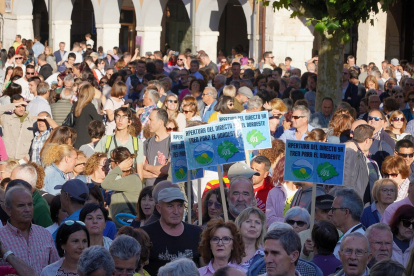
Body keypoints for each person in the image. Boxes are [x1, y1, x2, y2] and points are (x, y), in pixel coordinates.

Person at [141, 187, 203, 275]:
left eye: (180, 206)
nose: (176, 211)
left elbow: (204, 268)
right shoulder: (145, 234)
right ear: (159, 208)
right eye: (170, 206)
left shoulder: (196, 233)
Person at [0, 186, 59, 275]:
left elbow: (55, 269)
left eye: (30, 204)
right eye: (21, 206)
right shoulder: (1, 237)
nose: (27, 209)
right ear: (8, 210)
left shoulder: (44, 234)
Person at [95, 107, 144, 180]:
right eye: (118, 116)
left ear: (129, 122)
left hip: (128, 185)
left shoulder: (137, 143)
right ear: (114, 119)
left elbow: (140, 172)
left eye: (124, 117)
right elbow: (94, 163)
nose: (120, 120)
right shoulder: (106, 140)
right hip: (109, 184)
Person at [101, 147, 142, 229]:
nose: (109, 163)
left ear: (117, 163)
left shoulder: (132, 179)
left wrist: (118, 168)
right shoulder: (125, 178)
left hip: (126, 228)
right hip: (119, 226)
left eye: (110, 160)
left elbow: (105, 183)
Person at [331, 188, 365, 259]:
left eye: (333, 209)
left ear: (346, 212)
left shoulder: (357, 241)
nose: (330, 213)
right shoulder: (357, 235)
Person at [343, 124, 375, 200]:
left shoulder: (357, 152)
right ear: (367, 140)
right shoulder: (350, 153)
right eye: (373, 139)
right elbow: (346, 182)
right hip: (351, 203)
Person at [143, 108, 171, 186]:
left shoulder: (172, 142)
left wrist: (146, 166)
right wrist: (154, 174)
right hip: (148, 192)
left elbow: (166, 169)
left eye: (151, 120)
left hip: (164, 191)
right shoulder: (147, 142)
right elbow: (139, 170)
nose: (148, 122)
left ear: (160, 123)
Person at [73, 84, 103, 148]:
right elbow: (99, 120)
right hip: (86, 138)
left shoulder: (75, 105)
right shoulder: (89, 106)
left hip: (76, 138)